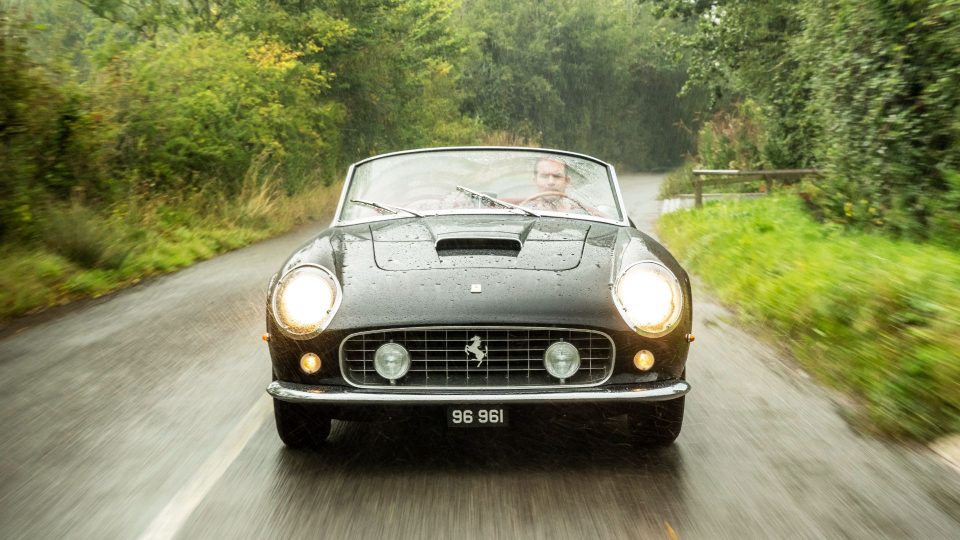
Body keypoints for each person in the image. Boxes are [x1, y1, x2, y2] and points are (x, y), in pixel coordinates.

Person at [523, 157, 589, 213]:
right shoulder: (523, 211)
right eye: (545, 176)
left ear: (567, 181)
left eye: (557, 176)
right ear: (535, 181)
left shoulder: (582, 213)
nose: (551, 182)